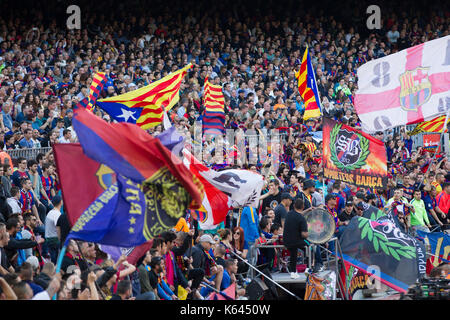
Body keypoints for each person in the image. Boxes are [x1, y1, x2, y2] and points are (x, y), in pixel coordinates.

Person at [283, 198, 309, 279]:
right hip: (296, 241)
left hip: (286, 240)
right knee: (310, 246)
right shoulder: (302, 219)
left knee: (293, 252)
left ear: (294, 206)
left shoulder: (289, 214)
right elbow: (304, 234)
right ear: (303, 206)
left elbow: (298, 214)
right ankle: (308, 268)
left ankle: (293, 272)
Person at [44, 195, 63, 264]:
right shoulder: (56, 214)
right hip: (54, 239)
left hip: (49, 239)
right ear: (61, 202)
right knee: (56, 261)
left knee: (53, 260)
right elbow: (58, 227)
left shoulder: (50, 212)